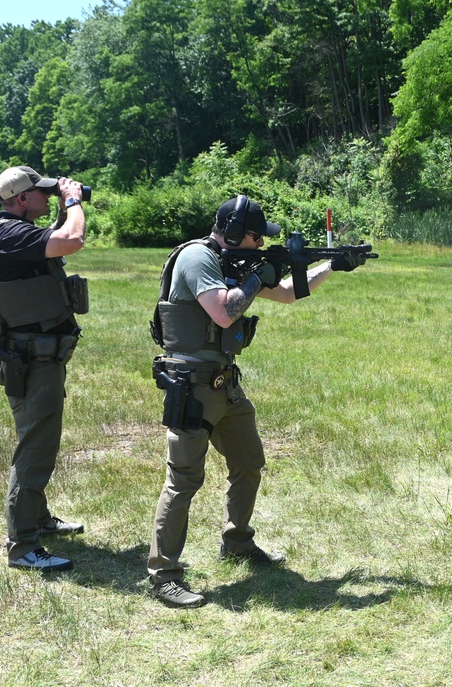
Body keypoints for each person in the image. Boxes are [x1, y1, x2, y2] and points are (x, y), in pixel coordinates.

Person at [147, 195, 360, 609]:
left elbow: (286, 294)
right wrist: (254, 276)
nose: (261, 244)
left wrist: (332, 265)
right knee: (184, 479)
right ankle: (164, 575)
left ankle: (238, 542)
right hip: (192, 385)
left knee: (249, 462)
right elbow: (225, 313)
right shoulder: (197, 259)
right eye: (254, 237)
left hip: (224, 383)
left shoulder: (235, 263)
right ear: (230, 234)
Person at [0, 166, 89, 572]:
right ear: (22, 199)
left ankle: (37, 519)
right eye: (40, 192)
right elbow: (71, 240)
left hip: (34, 354)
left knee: (41, 440)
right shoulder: (11, 236)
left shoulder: (7, 234)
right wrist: (72, 201)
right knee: (35, 448)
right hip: (33, 358)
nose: (47, 195)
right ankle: (23, 546)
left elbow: (51, 243)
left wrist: (59, 207)